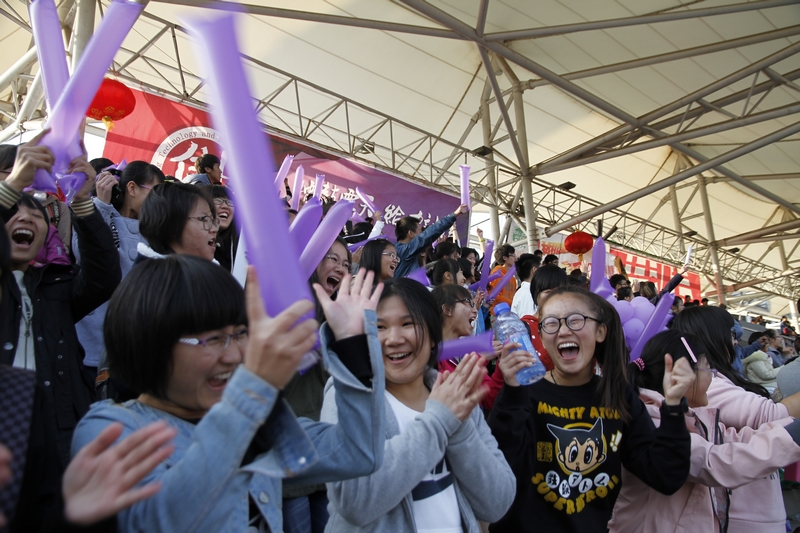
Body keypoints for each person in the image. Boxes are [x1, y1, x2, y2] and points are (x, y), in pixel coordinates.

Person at [72, 256, 387, 532]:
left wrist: (352, 346)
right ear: (149, 342)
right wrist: (254, 388)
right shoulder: (111, 429)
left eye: (239, 334)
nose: (235, 355)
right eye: (212, 339)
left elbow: (358, 453)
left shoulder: (258, 424)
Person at [488, 285, 692, 533]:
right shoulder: (523, 394)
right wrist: (511, 392)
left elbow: (665, 475)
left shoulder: (618, 396)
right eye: (551, 323)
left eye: (575, 320)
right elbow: (496, 476)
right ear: (541, 337)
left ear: (600, 332)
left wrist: (673, 408)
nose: (564, 330)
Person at [322, 278, 515, 532]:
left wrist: (459, 430)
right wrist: (438, 422)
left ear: (433, 336)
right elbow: (354, 500)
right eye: (379, 327)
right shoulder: (346, 394)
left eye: (407, 324)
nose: (394, 338)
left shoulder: (453, 393)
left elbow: (498, 502)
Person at [0, 132, 121, 531]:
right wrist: (12, 186)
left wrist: (83, 202)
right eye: (13, 212)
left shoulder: (57, 285)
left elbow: (104, 275)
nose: (25, 218)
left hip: (61, 430)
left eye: (36, 214)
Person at [610, 330, 800, 533]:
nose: (713, 376)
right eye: (708, 368)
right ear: (682, 374)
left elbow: (738, 439)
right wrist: (792, 437)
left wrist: (791, 428)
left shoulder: (695, 416)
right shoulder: (653, 422)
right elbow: (716, 462)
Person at [672, 306, 800, 532]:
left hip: (756, 508)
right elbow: (771, 416)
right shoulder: (707, 386)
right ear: (713, 336)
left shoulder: (715, 380)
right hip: (742, 516)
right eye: (731, 334)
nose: (735, 342)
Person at [282, 237, 351, 533]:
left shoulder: (340, 316)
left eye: (346, 264)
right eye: (332, 259)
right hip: (289, 445)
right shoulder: (289, 307)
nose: (341, 268)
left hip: (325, 448)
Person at [74, 161, 164, 370]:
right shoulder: (99, 212)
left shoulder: (155, 229)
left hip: (130, 342)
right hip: (89, 340)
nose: (160, 201)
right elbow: (82, 254)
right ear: (132, 188)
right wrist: (101, 205)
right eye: (155, 192)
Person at [433, 283, 504, 411]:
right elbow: (451, 401)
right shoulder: (430, 357)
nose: (475, 310)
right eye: (468, 303)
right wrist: (478, 359)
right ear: (447, 309)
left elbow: (489, 399)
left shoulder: (467, 354)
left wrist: (503, 366)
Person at [137, 181, 219, 261]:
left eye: (212, 220)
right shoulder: (153, 270)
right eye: (203, 219)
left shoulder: (210, 268)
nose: (214, 229)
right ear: (170, 225)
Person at [393, 204, 468, 278]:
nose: (423, 234)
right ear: (411, 234)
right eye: (421, 231)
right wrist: (455, 214)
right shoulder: (403, 251)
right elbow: (430, 232)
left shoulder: (407, 253)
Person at [204, 185, 238, 272]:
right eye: (218, 200)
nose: (225, 206)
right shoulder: (195, 245)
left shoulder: (239, 245)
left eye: (230, 202)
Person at [487, 244, 517, 314]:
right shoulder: (496, 274)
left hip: (510, 312)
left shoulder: (512, 278)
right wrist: (513, 304)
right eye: (513, 255)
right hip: (498, 313)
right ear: (505, 257)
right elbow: (495, 296)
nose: (515, 258)